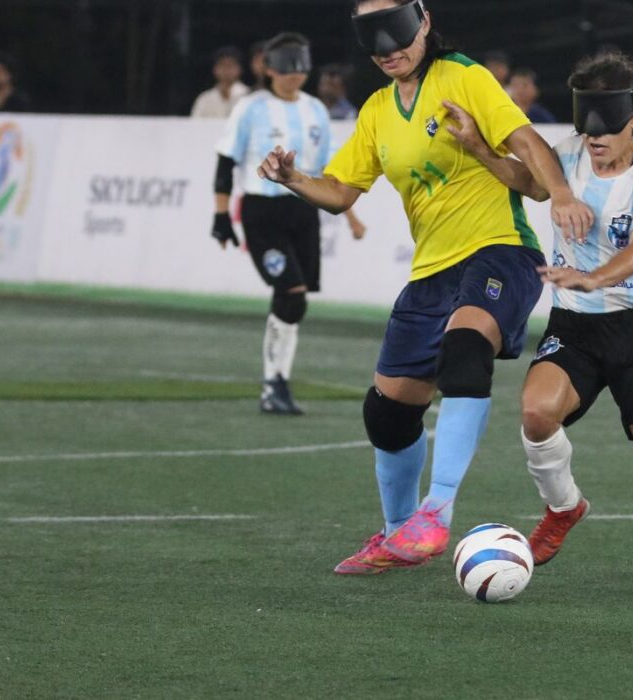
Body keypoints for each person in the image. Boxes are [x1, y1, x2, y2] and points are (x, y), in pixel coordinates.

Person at [253, 0, 591, 574]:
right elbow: (339, 192)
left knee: (465, 353)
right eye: (375, 41)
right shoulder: (379, 110)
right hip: (431, 271)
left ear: (424, 22)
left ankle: (436, 512)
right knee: (386, 415)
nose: (390, 49)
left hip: (499, 250)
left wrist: (559, 193)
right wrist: (293, 180)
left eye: (398, 33)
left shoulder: (464, 76)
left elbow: (528, 142)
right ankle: (396, 535)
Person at [445, 51, 633, 601]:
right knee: (536, 413)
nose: (595, 138)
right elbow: (529, 183)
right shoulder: (569, 154)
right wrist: (477, 148)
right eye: (588, 127)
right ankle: (564, 508)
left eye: (606, 127)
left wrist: (593, 278)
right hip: (574, 327)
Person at [211, 32, 341, 415]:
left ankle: (276, 383)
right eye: (286, 70)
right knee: (293, 293)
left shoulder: (316, 109)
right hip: (262, 211)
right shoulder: (251, 107)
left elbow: (329, 169)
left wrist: (349, 214)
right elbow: (225, 161)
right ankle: (274, 383)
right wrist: (220, 214)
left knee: (292, 299)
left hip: (303, 209)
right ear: (269, 70)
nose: (293, 77)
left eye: (300, 69)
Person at [191, 47, 249, 119]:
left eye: (231, 65)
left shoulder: (249, 96)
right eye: (222, 65)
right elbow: (194, 125)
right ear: (215, 69)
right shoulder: (204, 99)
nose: (227, 70)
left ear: (240, 69)